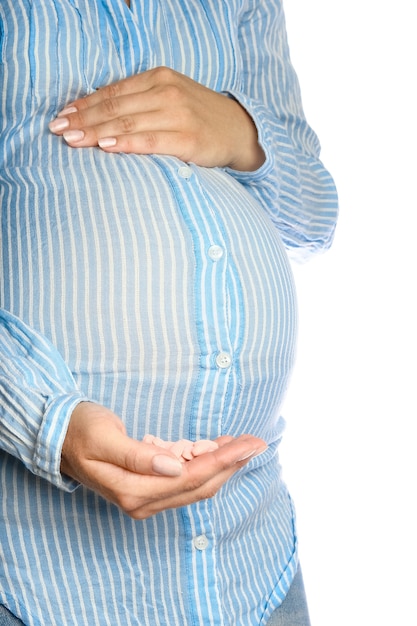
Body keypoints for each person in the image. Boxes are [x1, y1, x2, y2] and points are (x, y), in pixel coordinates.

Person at [0, 0, 338, 624]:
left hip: (250, 555)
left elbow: (315, 219)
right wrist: (42, 419)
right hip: (41, 576)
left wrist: (241, 132)